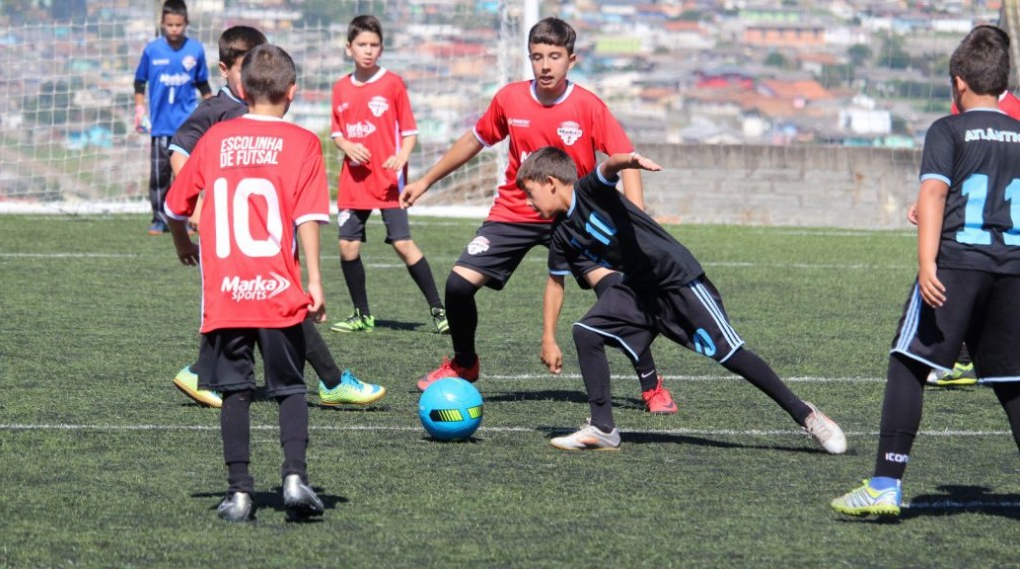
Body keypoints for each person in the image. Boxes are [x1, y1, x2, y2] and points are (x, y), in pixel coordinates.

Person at [400, 17, 676, 413]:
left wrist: (636, 218)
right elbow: (474, 140)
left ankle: (651, 385)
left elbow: (625, 161)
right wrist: (425, 180)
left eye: (554, 57)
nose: (545, 65)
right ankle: (464, 363)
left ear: (571, 60)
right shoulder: (509, 99)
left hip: (576, 218)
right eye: (537, 57)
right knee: (458, 285)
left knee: (616, 292)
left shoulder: (588, 106)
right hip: (514, 212)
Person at [514, 146, 847, 453]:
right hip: (639, 290)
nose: (529, 203)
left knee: (730, 353)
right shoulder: (560, 234)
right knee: (586, 332)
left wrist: (629, 160)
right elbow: (562, 281)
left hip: (676, 278)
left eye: (530, 193)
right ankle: (603, 428)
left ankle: (805, 414)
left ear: (552, 182)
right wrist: (552, 335)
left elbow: (609, 167)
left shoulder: (589, 191)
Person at [831, 27, 1020, 518]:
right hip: (1012, 270)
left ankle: (885, 484)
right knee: (1014, 382)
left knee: (908, 361)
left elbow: (933, 194)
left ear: (958, 83)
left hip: (956, 266)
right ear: (1003, 85)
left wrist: (926, 262)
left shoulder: (947, 129)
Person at [166, 25, 385, 410]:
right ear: (226, 70)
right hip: (239, 237)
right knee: (283, 303)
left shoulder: (256, 111)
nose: (254, 77)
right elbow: (180, 153)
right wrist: (199, 206)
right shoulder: (217, 111)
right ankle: (330, 381)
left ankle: (204, 371)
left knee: (276, 306)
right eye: (243, 69)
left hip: (264, 233)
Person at [164, 44, 330, 522]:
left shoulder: (215, 139)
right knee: (291, 388)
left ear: (242, 87)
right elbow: (309, 218)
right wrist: (314, 281)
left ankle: (239, 493)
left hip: (227, 294)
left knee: (235, 391)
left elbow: (176, 206)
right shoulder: (303, 143)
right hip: (277, 291)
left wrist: (181, 244)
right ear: (292, 92)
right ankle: (295, 478)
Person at [907, 25, 1019, 388]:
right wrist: (924, 201)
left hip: (991, 237)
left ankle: (957, 359)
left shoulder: (1004, 112)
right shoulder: (976, 106)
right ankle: (959, 358)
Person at [329, 15, 448, 334]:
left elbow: (409, 132)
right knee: (347, 247)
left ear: (381, 49)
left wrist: (401, 157)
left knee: (403, 244)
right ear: (348, 48)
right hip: (353, 183)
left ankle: (439, 312)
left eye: (374, 45)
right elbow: (337, 133)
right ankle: (362, 315)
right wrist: (347, 146)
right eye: (361, 45)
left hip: (386, 183)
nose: (367, 50)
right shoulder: (340, 88)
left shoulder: (392, 83)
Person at [133, 0, 211, 235]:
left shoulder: (195, 50)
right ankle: (160, 219)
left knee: (186, 175)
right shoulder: (152, 50)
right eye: (170, 25)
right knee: (159, 175)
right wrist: (140, 111)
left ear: (186, 23)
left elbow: (202, 84)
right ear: (162, 23)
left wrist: (211, 110)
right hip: (160, 126)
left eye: (179, 25)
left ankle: (189, 218)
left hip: (187, 127)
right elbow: (140, 82)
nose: (174, 29)